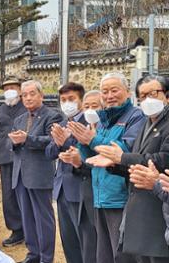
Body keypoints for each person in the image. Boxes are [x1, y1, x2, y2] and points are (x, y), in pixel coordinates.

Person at [88, 75, 169, 262]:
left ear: (166, 95)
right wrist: (115, 165)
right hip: (140, 205)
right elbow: (137, 160)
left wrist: (121, 157)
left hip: (159, 206)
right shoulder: (149, 122)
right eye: (143, 95)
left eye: (153, 93)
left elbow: (162, 158)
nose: (148, 99)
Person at [68, 72, 146, 263]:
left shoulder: (136, 116)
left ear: (127, 92)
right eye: (105, 92)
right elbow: (92, 159)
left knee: (122, 253)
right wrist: (84, 144)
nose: (109, 95)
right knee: (103, 253)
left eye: (114, 90)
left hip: (120, 196)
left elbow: (122, 150)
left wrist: (92, 139)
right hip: (100, 195)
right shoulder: (103, 120)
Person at [9, 80, 63, 263]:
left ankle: (46, 258)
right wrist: (14, 142)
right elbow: (14, 145)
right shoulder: (19, 119)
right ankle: (33, 254)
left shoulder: (53, 116)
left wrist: (27, 139)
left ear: (41, 95)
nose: (28, 97)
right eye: (24, 95)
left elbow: (52, 141)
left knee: (43, 218)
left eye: (32, 93)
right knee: (27, 217)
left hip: (40, 174)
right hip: (21, 174)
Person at [46, 85, 99, 263]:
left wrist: (66, 141)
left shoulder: (89, 121)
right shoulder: (61, 123)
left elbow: (86, 152)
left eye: (71, 99)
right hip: (61, 190)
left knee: (86, 240)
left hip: (80, 189)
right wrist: (59, 142)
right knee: (69, 241)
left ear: (81, 101)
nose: (67, 103)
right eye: (63, 100)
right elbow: (49, 152)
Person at [0, 76, 26, 247]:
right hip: (5, 158)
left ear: (20, 90)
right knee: (9, 195)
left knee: (25, 193)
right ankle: (16, 230)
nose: (10, 90)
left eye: (13, 87)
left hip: (25, 158)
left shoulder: (27, 108)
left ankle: (30, 228)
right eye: (6, 88)